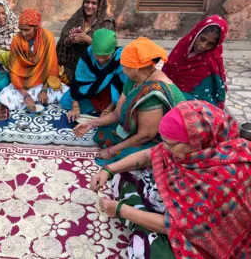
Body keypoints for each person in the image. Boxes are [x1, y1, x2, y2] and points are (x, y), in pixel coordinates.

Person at [93, 101, 251, 258]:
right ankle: (142, 217)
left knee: (148, 250)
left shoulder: (225, 177)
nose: (165, 148)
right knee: (122, 176)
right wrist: (108, 170)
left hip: (203, 237)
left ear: (195, 140)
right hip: (178, 210)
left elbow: (176, 226)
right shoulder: (198, 149)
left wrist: (121, 210)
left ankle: (140, 218)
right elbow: (149, 155)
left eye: (170, 144)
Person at [73, 37, 186, 166]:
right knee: (103, 130)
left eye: (124, 65)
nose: (122, 68)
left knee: (125, 158)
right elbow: (117, 113)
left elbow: (146, 136)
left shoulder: (154, 92)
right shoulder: (135, 79)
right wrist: (91, 123)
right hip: (144, 128)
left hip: (162, 138)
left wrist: (112, 150)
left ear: (136, 68)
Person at [0, 9, 69, 111]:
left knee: (67, 93)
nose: (23, 33)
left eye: (27, 30)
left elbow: (51, 68)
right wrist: (26, 96)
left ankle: (31, 102)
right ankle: (32, 102)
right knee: (3, 96)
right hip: (23, 85)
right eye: (21, 29)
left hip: (43, 83)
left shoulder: (47, 37)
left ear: (36, 28)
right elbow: (14, 73)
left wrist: (44, 90)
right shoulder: (16, 41)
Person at [61, 28, 128, 121]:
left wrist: (108, 111)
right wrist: (75, 107)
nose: (100, 60)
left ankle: (105, 108)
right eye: (97, 56)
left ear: (112, 51)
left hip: (111, 93)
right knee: (65, 101)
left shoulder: (120, 58)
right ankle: (97, 107)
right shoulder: (88, 53)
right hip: (92, 89)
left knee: (123, 104)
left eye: (105, 57)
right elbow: (78, 81)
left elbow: (122, 88)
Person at [162, 15, 228, 109]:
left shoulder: (211, 60)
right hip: (173, 92)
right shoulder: (182, 47)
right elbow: (167, 71)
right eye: (202, 39)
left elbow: (206, 93)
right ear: (196, 33)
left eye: (210, 44)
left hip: (198, 103)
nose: (203, 46)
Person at [56, 0, 115, 85]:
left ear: (100, 5)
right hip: (71, 71)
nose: (89, 6)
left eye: (94, 3)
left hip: (93, 71)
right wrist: (69, 40)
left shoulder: (106, 23)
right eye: (87, 2)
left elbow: (108, 49)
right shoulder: (76, 18)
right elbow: (62, 43)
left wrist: (88, 40)